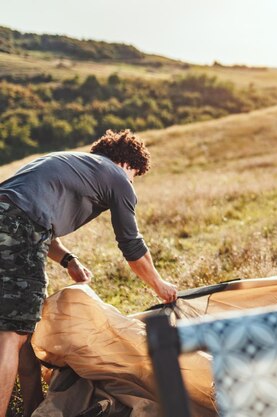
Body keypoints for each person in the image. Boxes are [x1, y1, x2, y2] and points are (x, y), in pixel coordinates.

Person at [0, 129, 178, 417]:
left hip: (14, 222)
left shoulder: (68, 164)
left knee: (20, 328)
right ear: (128, 165)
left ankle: (31, 408)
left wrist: (68, 260)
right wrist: (159, 285)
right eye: (135, 176)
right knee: (11, 334)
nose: (132, 183)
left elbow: (28, 213)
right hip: (20, 229)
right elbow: (132, 246)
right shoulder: (118, 177)